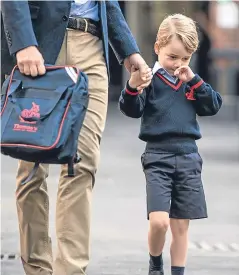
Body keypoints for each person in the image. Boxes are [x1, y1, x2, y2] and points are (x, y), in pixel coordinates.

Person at [1, 1, 151, 275]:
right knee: (32, 167)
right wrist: (23, 42)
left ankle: (70, 270)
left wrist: (128, 50)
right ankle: (37, 268)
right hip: (41, 45)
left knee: (83, 163)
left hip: (91, 47)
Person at [119, 14, 222, 275]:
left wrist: (195, 81)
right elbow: (131, 109)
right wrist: (132, 86)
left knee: (180, 226)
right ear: (157, 48)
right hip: (157, 157)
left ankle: (178, 271)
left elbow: (213, 105)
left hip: (188, 157)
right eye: (172, 57)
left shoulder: (192, 82)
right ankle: (155, 263)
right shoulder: (149, 80)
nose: (178, 64)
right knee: (159, 222)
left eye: (185, 58)